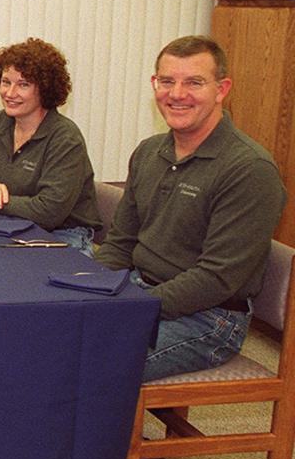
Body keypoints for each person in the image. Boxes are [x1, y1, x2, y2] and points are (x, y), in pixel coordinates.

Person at [95, 35, 286, 383]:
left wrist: (130, 309)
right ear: (155, 85)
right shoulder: (149, 151)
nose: (177, 94)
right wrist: (88, 288)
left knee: (88, 361)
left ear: (221, 88)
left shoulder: (249, 168)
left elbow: (217, 278)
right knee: (49, 334)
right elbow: (121, 242)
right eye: (167, 81)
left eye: (194, 82)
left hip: (210, 318)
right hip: (140, 290)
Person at [0, 38, 102, 250]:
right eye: (6, 82)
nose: (10, 93)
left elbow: (48, 212)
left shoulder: (65, 138)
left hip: (62, 236)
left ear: (45, 89)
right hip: (8, 226)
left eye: (23, 85)